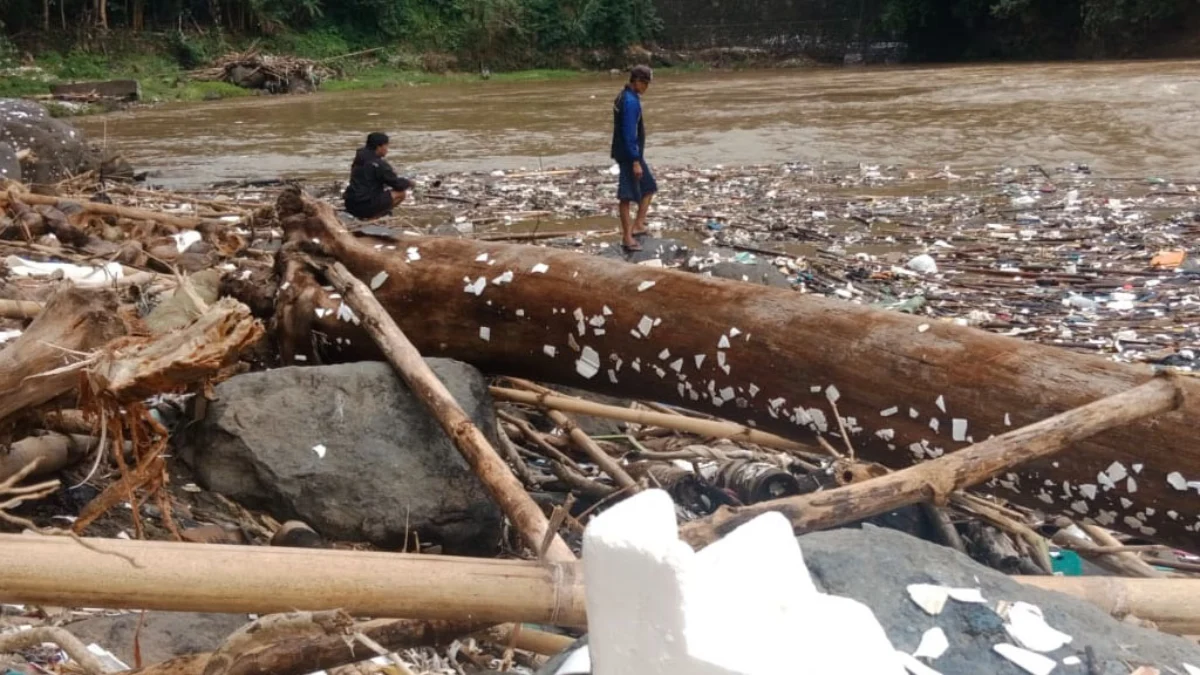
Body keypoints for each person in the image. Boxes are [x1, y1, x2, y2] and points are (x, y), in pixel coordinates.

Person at [611, 65, 657, 252]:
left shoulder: (624, 96)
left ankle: (637, 226)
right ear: (637, 81)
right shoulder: (630, 102)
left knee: (648, 188)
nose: (646, 88)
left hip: (628, 153)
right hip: (629, 155)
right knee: (626, 196)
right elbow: (629, 133)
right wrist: (635, 161)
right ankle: (627, 237)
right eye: (645, 83)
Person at [343, 132, 412, 220]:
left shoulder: (359, 158)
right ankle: (373, 219)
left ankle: (367, 217)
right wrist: (409, 182)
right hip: (365, 205)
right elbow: (397, 184)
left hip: (350, 204)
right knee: (401, 193)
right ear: (379, 147)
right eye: (386, 146)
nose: (387, 149)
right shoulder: (378, 164)